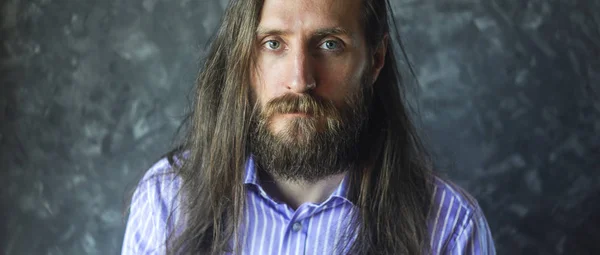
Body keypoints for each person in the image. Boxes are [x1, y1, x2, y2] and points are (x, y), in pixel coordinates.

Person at [121, 0, 496, 254]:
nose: (299, 80)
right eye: (273, 44)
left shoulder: (451, 227)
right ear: (242, 58)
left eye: (330, 44)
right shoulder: (166, 201)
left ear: (375, 60)